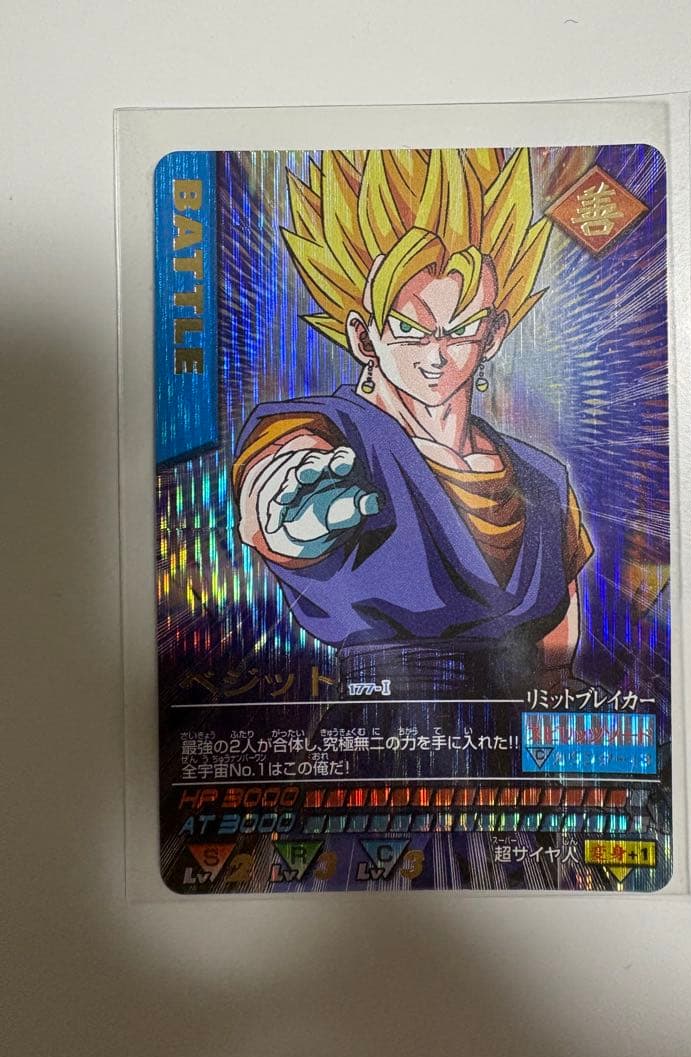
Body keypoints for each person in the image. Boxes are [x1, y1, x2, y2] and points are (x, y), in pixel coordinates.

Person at [233, 148, 592, 705]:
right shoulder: (337, 434)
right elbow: (282, 467)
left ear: (494, 334)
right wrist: (285, 512)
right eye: (409, 331)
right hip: (383, 729)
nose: (436, 356)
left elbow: (556, 649)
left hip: (515, 742)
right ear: (364, 336)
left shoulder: (542, 479)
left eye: (460, 330)